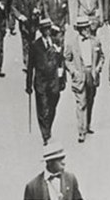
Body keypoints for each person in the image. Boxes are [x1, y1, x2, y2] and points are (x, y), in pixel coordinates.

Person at [27, 16, 66, 145]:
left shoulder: (56, 42)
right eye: (44, 29)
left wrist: (62, 79)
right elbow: (30, 66)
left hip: (54, 81)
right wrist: (28, 85)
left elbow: (61, 62)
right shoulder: (35, 45)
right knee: (42, 108)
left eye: (48, 29)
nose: (47, 31)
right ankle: (46, 134)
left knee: (52, 105)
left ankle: (48, 126)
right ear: (40, 30)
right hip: (41, 82)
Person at [64, 18, 104, 143]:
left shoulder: (95, 41)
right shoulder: (72, 43)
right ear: (79, 30)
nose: (87, 30)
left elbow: (102, 56)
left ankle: (87, 125)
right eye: (84, 28)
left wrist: (98, 68)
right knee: (81, 103)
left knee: (90, 100)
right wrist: (73, 71)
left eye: (88, 27)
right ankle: (81, 131)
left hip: (91, 74)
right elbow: (67, 59)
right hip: (80, 75)